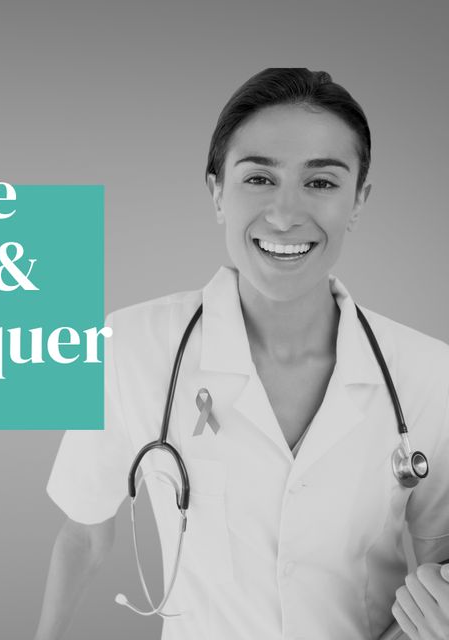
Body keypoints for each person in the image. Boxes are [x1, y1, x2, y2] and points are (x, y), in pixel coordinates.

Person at [34, 69, 449, 640]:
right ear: (216, 193)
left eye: (322, 183)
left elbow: (438, 575)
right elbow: (83, 533)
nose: (285, 213)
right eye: (258, 178)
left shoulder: (429, 374)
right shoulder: (128, 347)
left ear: (358, 201)